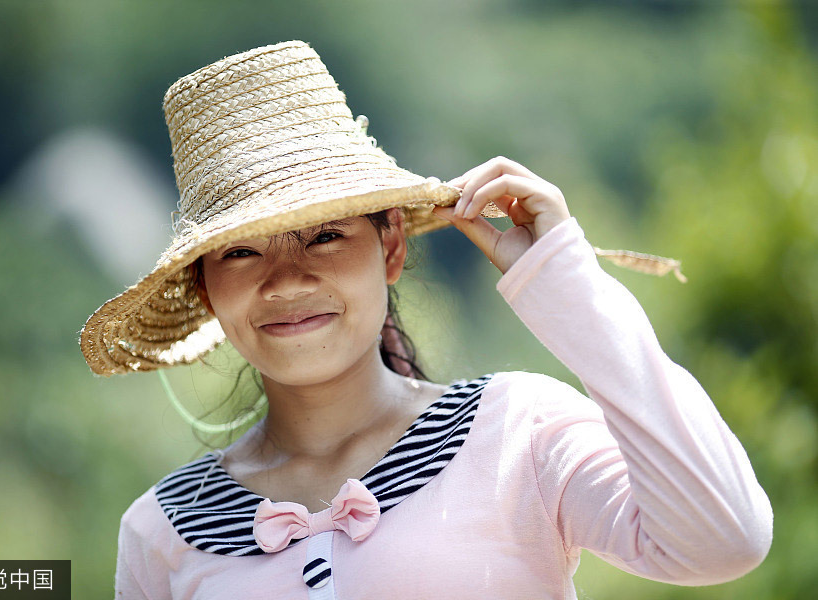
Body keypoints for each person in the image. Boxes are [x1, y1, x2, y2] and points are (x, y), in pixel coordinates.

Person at [80, 41, 773, 599]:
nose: (288, 279)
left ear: (389, 248)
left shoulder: (517, 433)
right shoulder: (161, 532)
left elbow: (724, 539)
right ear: (204, 287)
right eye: (240, 251)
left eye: (324, 237)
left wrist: (566, 283)